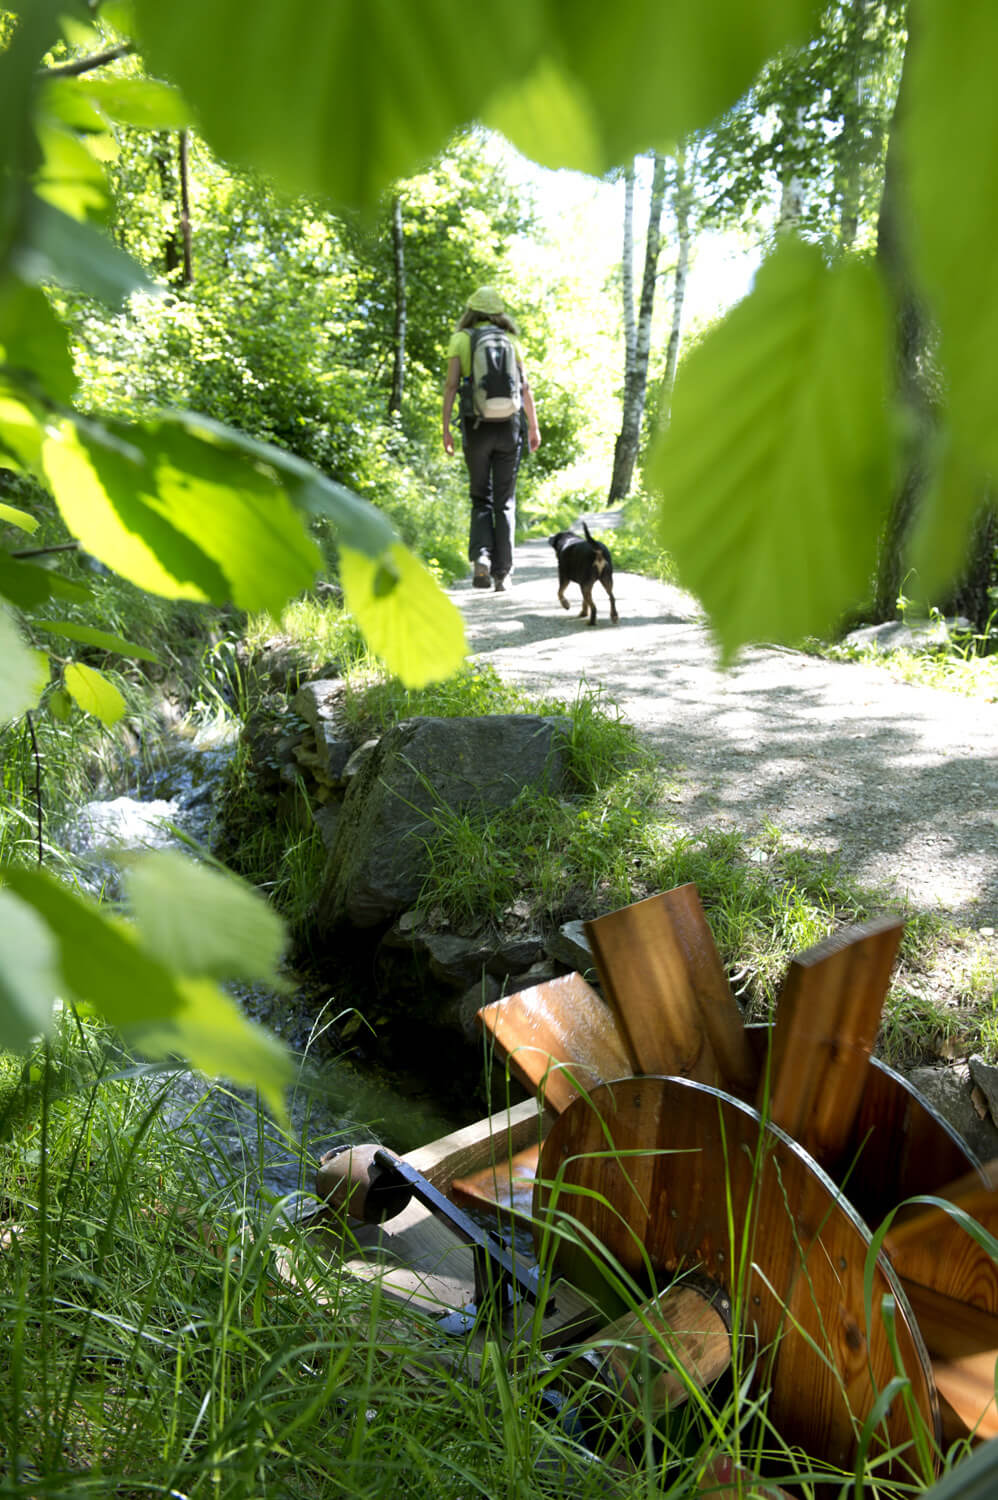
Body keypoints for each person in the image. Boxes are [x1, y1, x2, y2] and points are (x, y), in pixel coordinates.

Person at [442, 286, 541, 591]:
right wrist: (534, 427)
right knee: (505, 501)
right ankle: (503, 573)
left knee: (480, 497)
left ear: (470, 311)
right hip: (509, 426)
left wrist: (445, 428)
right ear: (499, 312)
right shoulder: (511, 340)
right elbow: (524, 389)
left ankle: (481, 559)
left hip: (476, 425)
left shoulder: (461, 339)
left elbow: (451, 386)